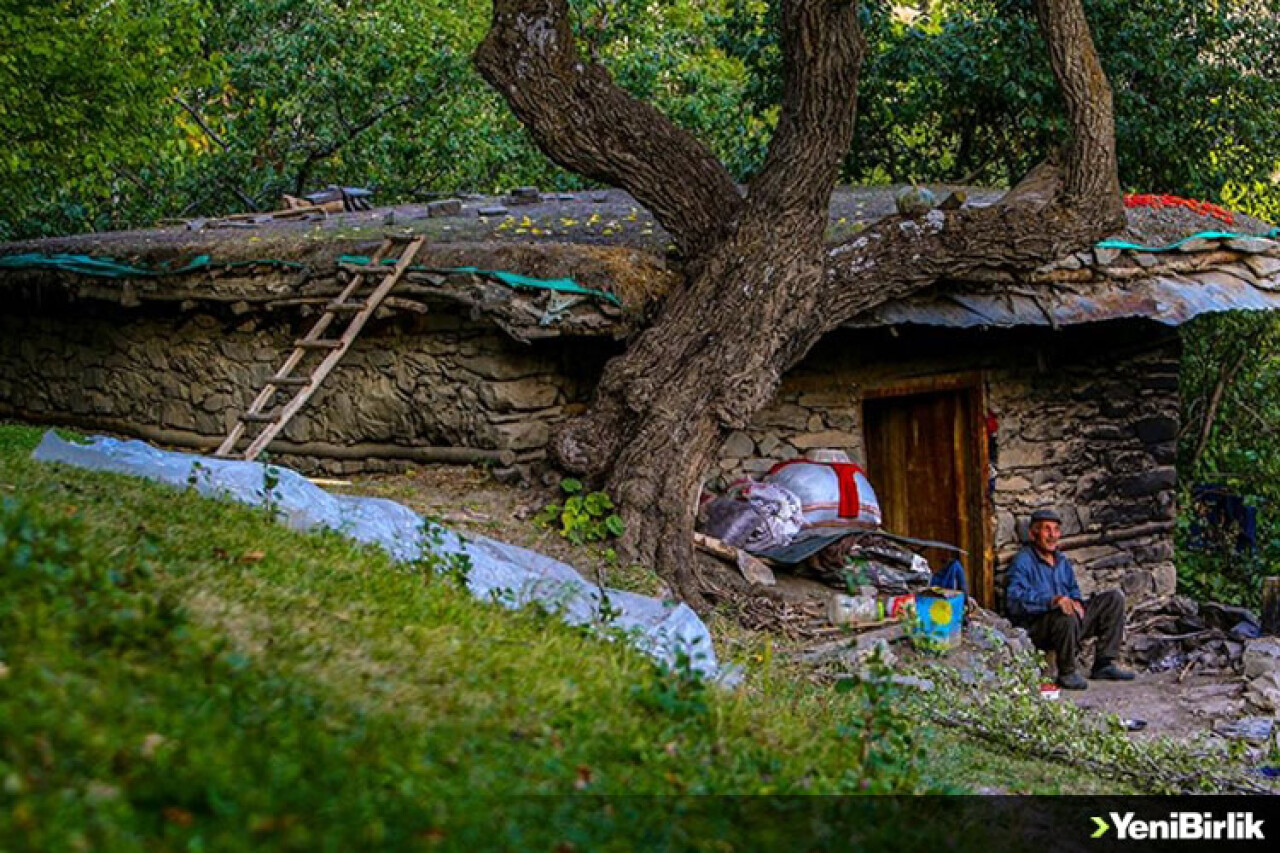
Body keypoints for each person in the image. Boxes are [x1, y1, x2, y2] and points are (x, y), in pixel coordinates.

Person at [1005, 509, 1135, 690]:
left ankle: (1104, 664)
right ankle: (1067, 672)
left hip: (1069, 626)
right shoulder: (1023, 561)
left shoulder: (1061, 561)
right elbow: (1013, 600)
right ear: (1033, 533)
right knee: (1064, 614)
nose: (1052, 535)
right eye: (1046, 530)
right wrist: (1052, 600)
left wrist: (1075, 601)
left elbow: (1073, 590)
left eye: (1056, 530)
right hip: (1040, 628)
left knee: (1114, 599)